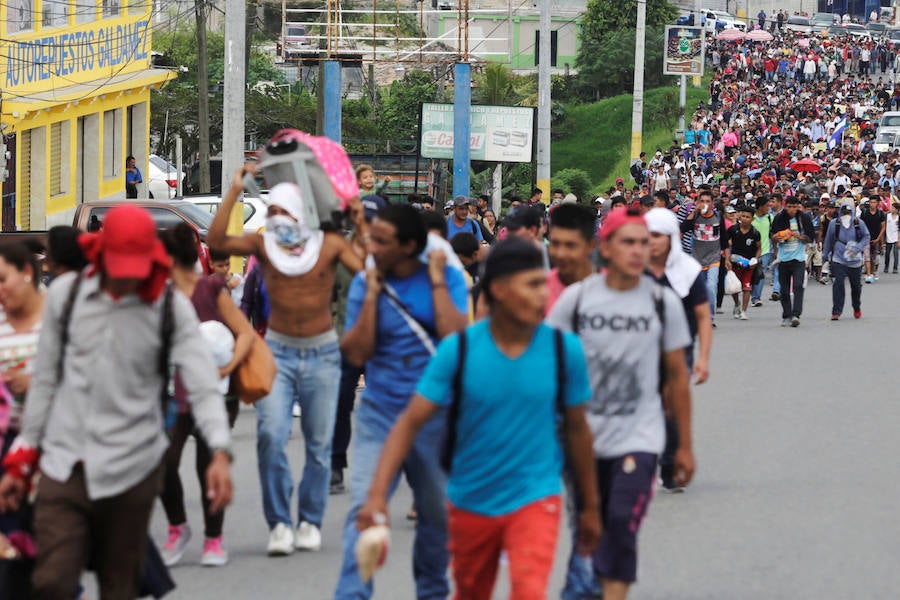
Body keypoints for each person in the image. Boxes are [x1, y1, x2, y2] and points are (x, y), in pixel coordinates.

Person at [0, 204, 233, 599]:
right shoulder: (67, 297)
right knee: (51, 581)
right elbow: (47, 382)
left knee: (118, 586)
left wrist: (220, 452)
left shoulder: (169, 306)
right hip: (64, 462)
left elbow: (202, 382)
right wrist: (23, 457)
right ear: (100, 254)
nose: (125, 278)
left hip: (132, 468)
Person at [358, 237, 600, 600]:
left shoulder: (565, 351)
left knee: (530, 591)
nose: (543, 296)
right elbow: (410, 422)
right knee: (471, 591)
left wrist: (591, 507)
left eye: (542, 284)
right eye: (532, 285)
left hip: (536, 497)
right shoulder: (460, 350)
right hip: (470, 501)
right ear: (499, 290)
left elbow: (579, 431)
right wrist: (376, 496)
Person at [208, 167, 366, 555]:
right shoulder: (265, 246)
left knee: (317, 443)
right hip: (277, 351)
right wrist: (233, 189)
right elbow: (215, 240)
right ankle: (279, 523)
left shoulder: (328, 244)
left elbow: (367, 270)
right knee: (270, 436)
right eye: (271, 210)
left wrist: (360, 225)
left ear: (300, 212)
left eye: (284, 210)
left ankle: (309, 520)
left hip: (323, 352)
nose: (276, 217)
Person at [548, 207, 695, 600]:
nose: (638, 251)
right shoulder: (576, 301)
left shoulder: (663, 303)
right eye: (628, 242)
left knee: (621, 521)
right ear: (605, 248)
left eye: (644, 243)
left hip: (640, 436)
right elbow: (547, 363)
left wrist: (683, 445)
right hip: (581, 438)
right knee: (589, 526)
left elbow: (677, 377)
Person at [334, 204, 468, 598]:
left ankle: (431, 592)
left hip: (436, 417)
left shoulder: (445, 275)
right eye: (371, 238)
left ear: (410, 246)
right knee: (364, 511)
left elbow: (457, 339)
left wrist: (439, 281)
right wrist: (373, 295)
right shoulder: (366, 281)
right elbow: (356, 354)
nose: (370, 247)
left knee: (436, 517)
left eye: (381, 241)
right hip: (381, 413)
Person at [158, 224, 255, 568]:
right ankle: (177, 527)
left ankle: (214, 538)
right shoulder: (159, 297)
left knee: (206, 466)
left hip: (216, 392)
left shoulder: (211, 288)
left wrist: (227, 369)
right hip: (172, 395)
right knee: (163, 462)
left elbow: (244, 334)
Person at [644, 208, 711, 495]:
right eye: (647, 236)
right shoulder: (633, 269)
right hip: (641, 349)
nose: (652, 242)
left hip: (677, 348)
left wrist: (703, 358)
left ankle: (669, 464)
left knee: (671, 405)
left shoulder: (689, 271)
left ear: (672, 238)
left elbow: (703, 316)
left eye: (657, 236)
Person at [0, 243, 45, 591]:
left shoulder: (58, 318)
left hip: (54, 448)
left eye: (3, 279)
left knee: (52, 554)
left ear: (26, 273)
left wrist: (36, 382)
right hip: (7, 449)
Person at [680, 188, 727, 326]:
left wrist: (727, 257)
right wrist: (694, 212)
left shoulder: (718, 217)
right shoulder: (695, 217)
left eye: (708, 201)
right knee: (698, 288)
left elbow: (724, 239)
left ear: (712, 203)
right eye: (702, 201)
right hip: (697, 259)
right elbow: (683, 228)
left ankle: (710, 317)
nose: (705, 204)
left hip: (714, 258)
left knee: (712, 286)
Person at [771, 196, 816, 327]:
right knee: (784, 290)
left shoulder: (804, 218)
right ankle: (786, 315)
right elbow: (772, 235)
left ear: (798, 207)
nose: (791, 210)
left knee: (798, 286)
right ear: (785, 206)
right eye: (789, 207)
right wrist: (778, 237)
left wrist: (800, 237)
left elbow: (810, 237)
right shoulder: (779, 218)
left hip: (799, 259)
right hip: (783, 259)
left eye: (794, 207)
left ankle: (796, 314)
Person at [823, 202, 870, 320]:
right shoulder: (834, 224)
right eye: (843, 213)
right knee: (838, 283)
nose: (846, 215)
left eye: (848, 213)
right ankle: (836, 311)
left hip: (855, 260)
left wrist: (857, 248)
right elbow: (828, 240)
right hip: (839, 258)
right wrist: (824, 257)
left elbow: (866, 237)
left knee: (856, 287)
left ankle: (857, 307)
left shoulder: (858, 223)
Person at [724, 205, 762, 320]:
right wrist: (727, 258)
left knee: (747, 288)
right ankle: (737, 304)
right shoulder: (733, 230)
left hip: (749, 265)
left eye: (748, 217)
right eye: (743, 216)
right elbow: (726, 244)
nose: (745, 219)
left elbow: (759, 248)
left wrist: (755, 259)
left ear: (752, 219)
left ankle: (744, 311)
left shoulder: (755, 233)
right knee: (735, 288)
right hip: (735, 263)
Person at [859, 199, 885, 283]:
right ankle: (868, 274)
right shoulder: (865, 212)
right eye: (871, 202)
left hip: (876, 238)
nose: (872, 204)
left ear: (877, 203)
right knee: (867, 257)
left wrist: (879, 239)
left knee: (873, 258)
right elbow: (860, 224)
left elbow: (883, 227)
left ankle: (872, 272)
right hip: (866, 238)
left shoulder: (880, 213)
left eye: (874, 202)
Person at [885, 203, 899, 274]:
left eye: (893, 208)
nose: (891, 209)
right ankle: (886, 266)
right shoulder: (887, 216)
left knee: (895, 253)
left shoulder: (898, 217)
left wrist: (899, 240)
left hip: (896, 237)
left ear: (897, 210)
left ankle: (895, 268)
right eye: (891, 208)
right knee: (887, 253)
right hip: (888, 237)